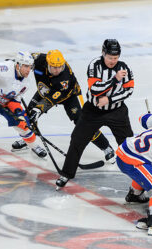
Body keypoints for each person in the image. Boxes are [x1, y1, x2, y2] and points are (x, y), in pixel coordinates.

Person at [55, 39, 134, 189]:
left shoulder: (125, 68)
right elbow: (95, 89)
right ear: (103, 53)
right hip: (93, 110)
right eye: (110, 57)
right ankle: (66, 173)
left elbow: (129, 91)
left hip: (117, 112)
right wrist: (115, 79)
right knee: (77, 139)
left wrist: (109, 99)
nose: (113, 61)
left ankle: (141, 176)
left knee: (129, 145)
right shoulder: (94, 65)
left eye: (116, 58)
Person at [10, 50, 114, 162]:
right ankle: (29, 140)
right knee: (29, 114)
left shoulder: (64, 78)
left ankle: (106, 147)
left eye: (60, 67)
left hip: (69, 95)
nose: (58, 70)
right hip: (46, 89)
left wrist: (39, 109)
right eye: (54, 67)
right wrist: (12, 65)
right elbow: (24, 61)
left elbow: (52, 98)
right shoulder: (39, 59)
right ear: (47, 63)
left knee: (82, 123)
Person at [0, 51, 47, 174]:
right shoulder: (3, 68)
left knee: (23, 124)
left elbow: (14, 99)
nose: (29, 70)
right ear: (18, 65)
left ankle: (35, 147)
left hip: (5, 102)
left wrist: (17, 111)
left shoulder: (26, 83)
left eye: (30, 67)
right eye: (26, 66)